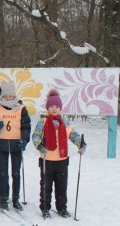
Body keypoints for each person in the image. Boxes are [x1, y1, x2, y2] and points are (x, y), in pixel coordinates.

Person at [32, 89, 86, 219]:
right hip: (47, 159)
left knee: (62, 185)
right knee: (46, 186)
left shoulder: (64, 122)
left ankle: (62, 207)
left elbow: (73, 135)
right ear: (47, 107)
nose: (54, 109)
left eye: (57, 106)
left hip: (62, 160)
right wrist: (39, 145)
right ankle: (45, 208)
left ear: (60, 108)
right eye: (51, 106)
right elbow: (36, 135)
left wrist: (81, 144)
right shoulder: (43, 121)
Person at [0, 80, 31, 211]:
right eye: (6, 96)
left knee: (16, 173)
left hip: (16, 144)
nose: (8, 98)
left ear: (14, 95)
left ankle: (16, 198)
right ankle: (3, 198)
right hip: (1, 144)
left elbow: (26, 126)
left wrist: (24, 140)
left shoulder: (21, 108)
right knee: (3, 173)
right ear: (2, 95)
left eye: (10, 96)